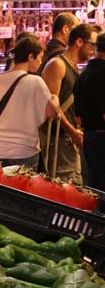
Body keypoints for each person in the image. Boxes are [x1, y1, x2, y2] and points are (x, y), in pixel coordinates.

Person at [0, 35, 59, 170]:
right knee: (21, 190)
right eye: (39, 57)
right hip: (24, 151)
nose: (41, 62)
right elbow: (53, 113)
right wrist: (55, 99)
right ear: (30, 56)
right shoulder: (36, 81)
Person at [41, 23, 96, 185]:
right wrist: (72, 131)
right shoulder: (57, 64)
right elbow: (52, 105)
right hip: (58, 139)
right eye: (91, 45)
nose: (93, 50)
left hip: (68, 138)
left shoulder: (74, 68)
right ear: (79, 42)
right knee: (65, 185)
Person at [74, 32, 105, 189]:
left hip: (89, 136)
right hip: (102, 136)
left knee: (94, 185)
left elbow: (77, 114)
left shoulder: (83, 74)